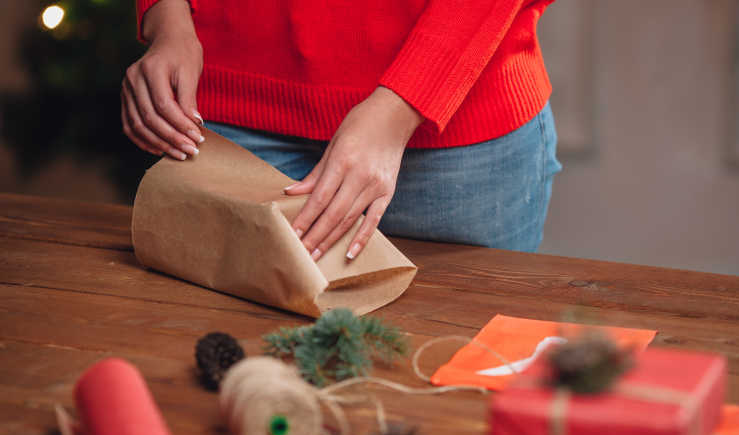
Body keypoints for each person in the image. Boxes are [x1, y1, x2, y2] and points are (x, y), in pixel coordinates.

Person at [123, 0, 561, 261]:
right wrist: (169, 22)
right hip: (225, 114)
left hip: (452, 137)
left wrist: (399, 107)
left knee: (454, 394)